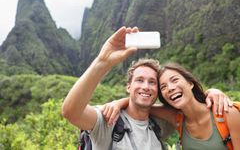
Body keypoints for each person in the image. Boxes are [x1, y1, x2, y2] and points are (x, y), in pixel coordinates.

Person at [62, 26, 232, 150]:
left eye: (152, 82)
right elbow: (71, 111)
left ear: (158, 91)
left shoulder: (162, 122)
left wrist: (212, 92)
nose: (146, 86)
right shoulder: (109, 119)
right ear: (129, 87)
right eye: (139, 80)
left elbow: (191, 107)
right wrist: (102, 63)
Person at [154, 62, 240, 149]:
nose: (170, 88)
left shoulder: (227, 112)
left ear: (190, 84)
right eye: (163, 87)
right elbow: (143, 106)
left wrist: (211, 90)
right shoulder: (177, 119)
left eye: (175, 80)